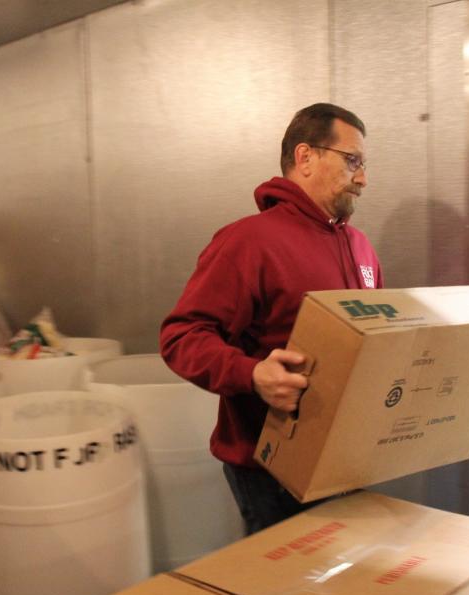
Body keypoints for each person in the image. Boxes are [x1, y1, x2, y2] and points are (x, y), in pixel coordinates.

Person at [159, 103, 382, 534]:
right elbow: (181, 336)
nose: (362, 178)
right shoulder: (248, 241)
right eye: (352, 161)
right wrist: (252, 374)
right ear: (305, 157)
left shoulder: (361, 247)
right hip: (271, 470)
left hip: (344, 460)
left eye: (364, 164)